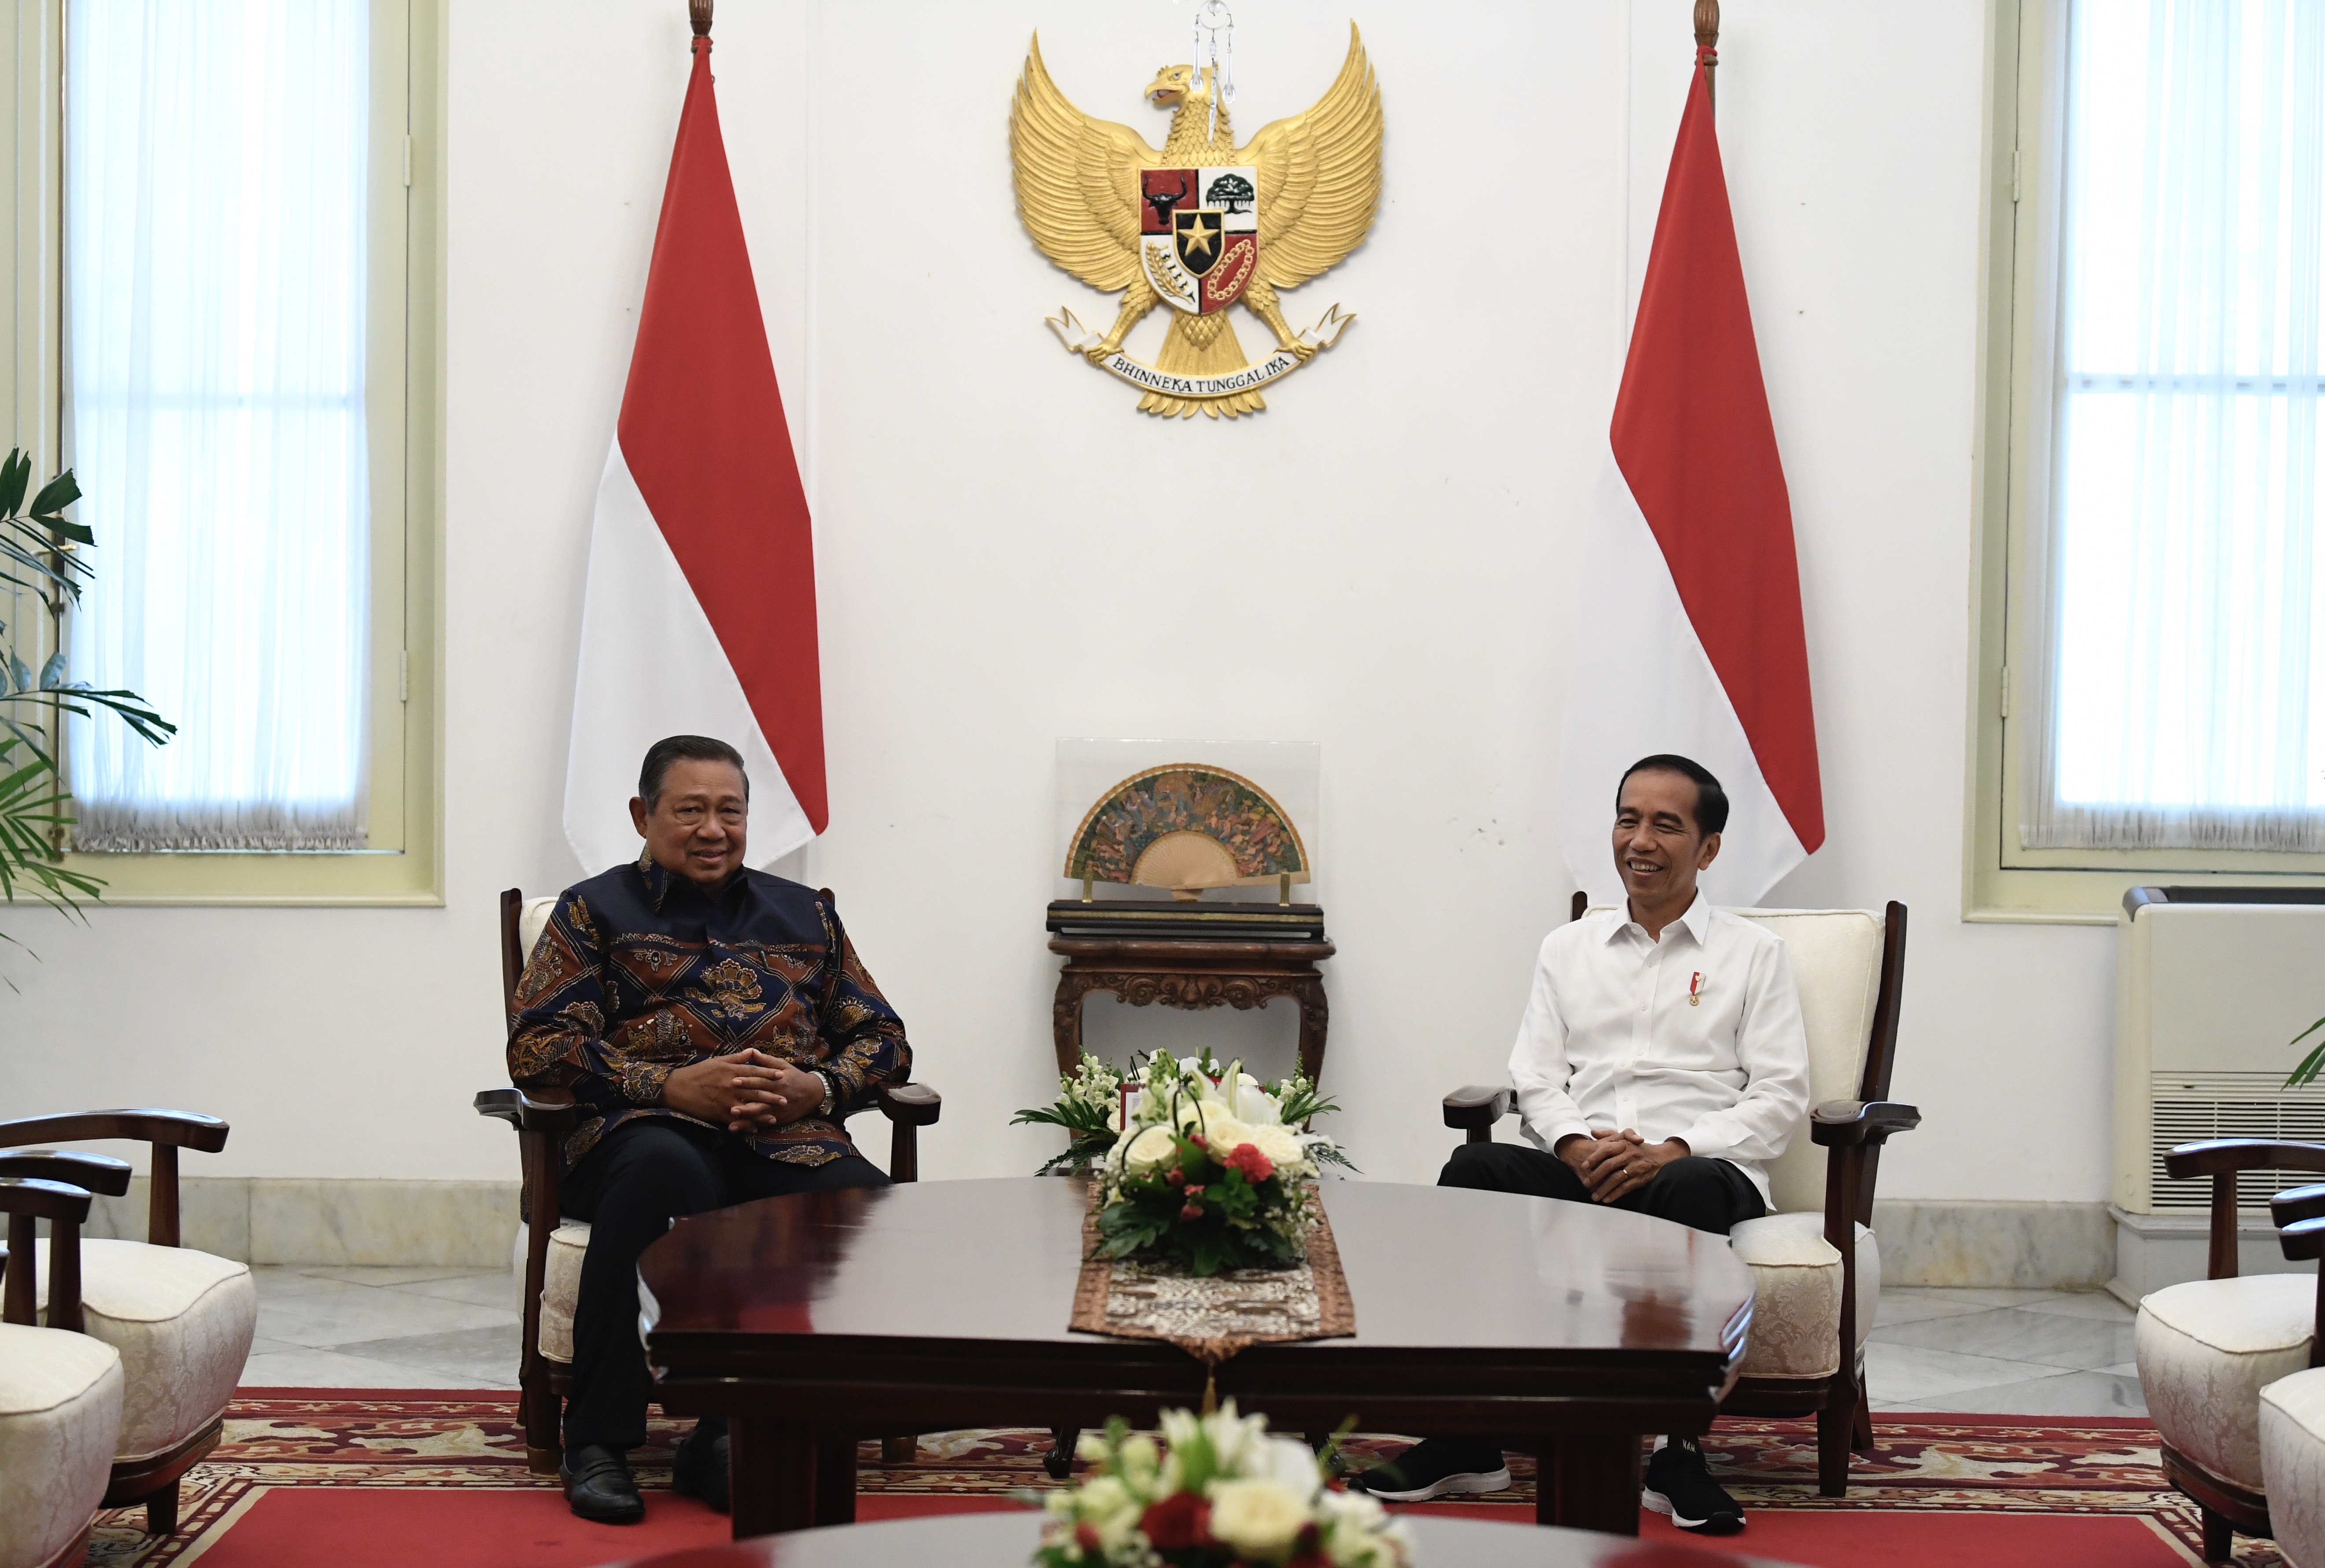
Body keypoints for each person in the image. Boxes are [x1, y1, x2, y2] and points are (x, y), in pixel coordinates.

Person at [1346, 754, 1808, 1535]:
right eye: (1629, 819)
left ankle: (1677, 1450)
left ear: (1709, 848)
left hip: (1698, 1168)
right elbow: (1534, 1074)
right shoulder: (1568, 947)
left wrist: (1673, 1146)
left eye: (1667, 824)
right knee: (1475, 1165)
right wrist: (1570, 1144)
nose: (1641, 840)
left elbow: (1780, 1096)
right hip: (1585, 1168)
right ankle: (1466, 1435)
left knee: (1687, 1188)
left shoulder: (1754, 955)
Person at [508, 735, 914, 1524]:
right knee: (669, 1170)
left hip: (782, 1137)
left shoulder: (807, 915)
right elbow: (538, 1045)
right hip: (637, 1131)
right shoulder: (592, 911)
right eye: (689, 810)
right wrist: (667, 1084)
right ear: (643, 815)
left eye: (730, 811)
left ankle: (729, 1433)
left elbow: (884, 1038)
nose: (713, 829)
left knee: (857, 1194)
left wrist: (817, 1086)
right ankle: (598, 1439)